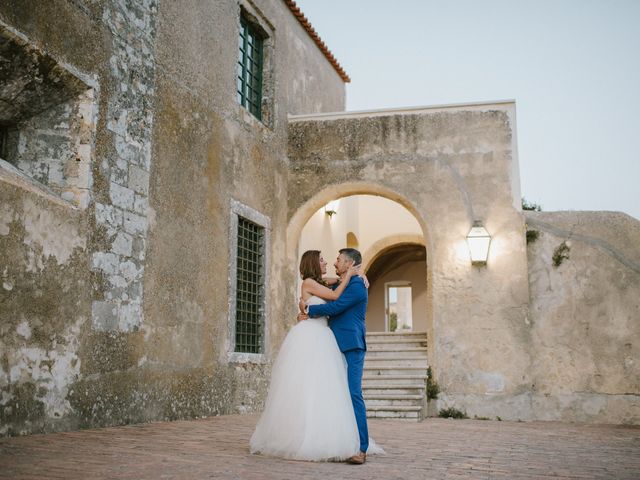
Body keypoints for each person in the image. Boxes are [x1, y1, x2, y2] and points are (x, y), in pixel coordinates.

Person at [249, 250, 361, 461]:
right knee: (306, 387)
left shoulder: (319, 282)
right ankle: (302, 437)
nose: (326, 261)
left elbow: (335, 281)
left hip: (323, 336)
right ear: (312, 263)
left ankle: (324, 435)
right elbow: (336, 296)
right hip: (311, 336)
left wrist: (359, 275)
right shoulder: (309, 283)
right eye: (321, 259)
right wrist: (349, 276)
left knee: (324, 388)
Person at [299, 248, 371, 465]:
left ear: (349, 264)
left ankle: (362, 448)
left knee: (353, 394)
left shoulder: (357, 285)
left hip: (351, 345)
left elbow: (337, 306)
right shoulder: (343, 282)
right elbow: (324, 285)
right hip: (332, 346)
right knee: (335, 395)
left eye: (338, 260)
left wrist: (307, 312)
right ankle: (339, 440)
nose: (334, 262)